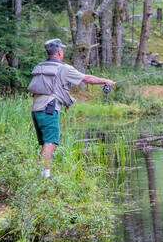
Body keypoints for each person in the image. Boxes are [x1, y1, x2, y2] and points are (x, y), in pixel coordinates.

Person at [27, 38, 115, 178]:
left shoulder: (41, 66)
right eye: (62, 49)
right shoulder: (64, 68)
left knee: (45, 143)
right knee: (50, 143)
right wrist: (106, 81)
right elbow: (87, 79)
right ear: (60, 52)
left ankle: (42, 173)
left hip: (36, 109)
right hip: (49, 109)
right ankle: (44, 177)